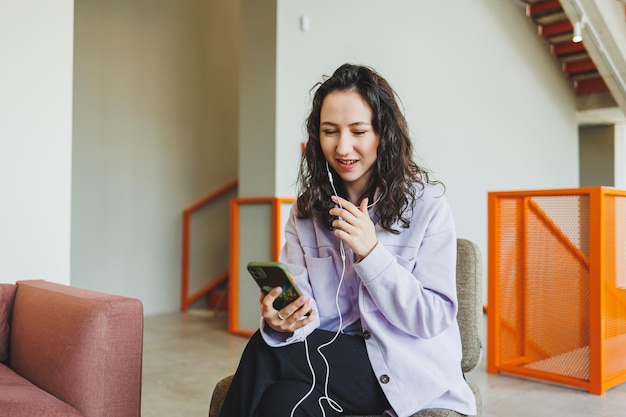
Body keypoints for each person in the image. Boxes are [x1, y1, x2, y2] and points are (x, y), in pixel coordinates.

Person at [218, 63, 477, 417]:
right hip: (328, 358)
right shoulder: (307, 211)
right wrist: (283, 319)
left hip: (399, 366)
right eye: (330, 131)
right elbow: (305, 311)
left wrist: (371, 253)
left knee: (265, 354)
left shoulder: (427, 207)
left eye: (358, 131)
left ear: (382, 134)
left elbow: (431, 319)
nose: (343, 147)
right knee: (279, 404)